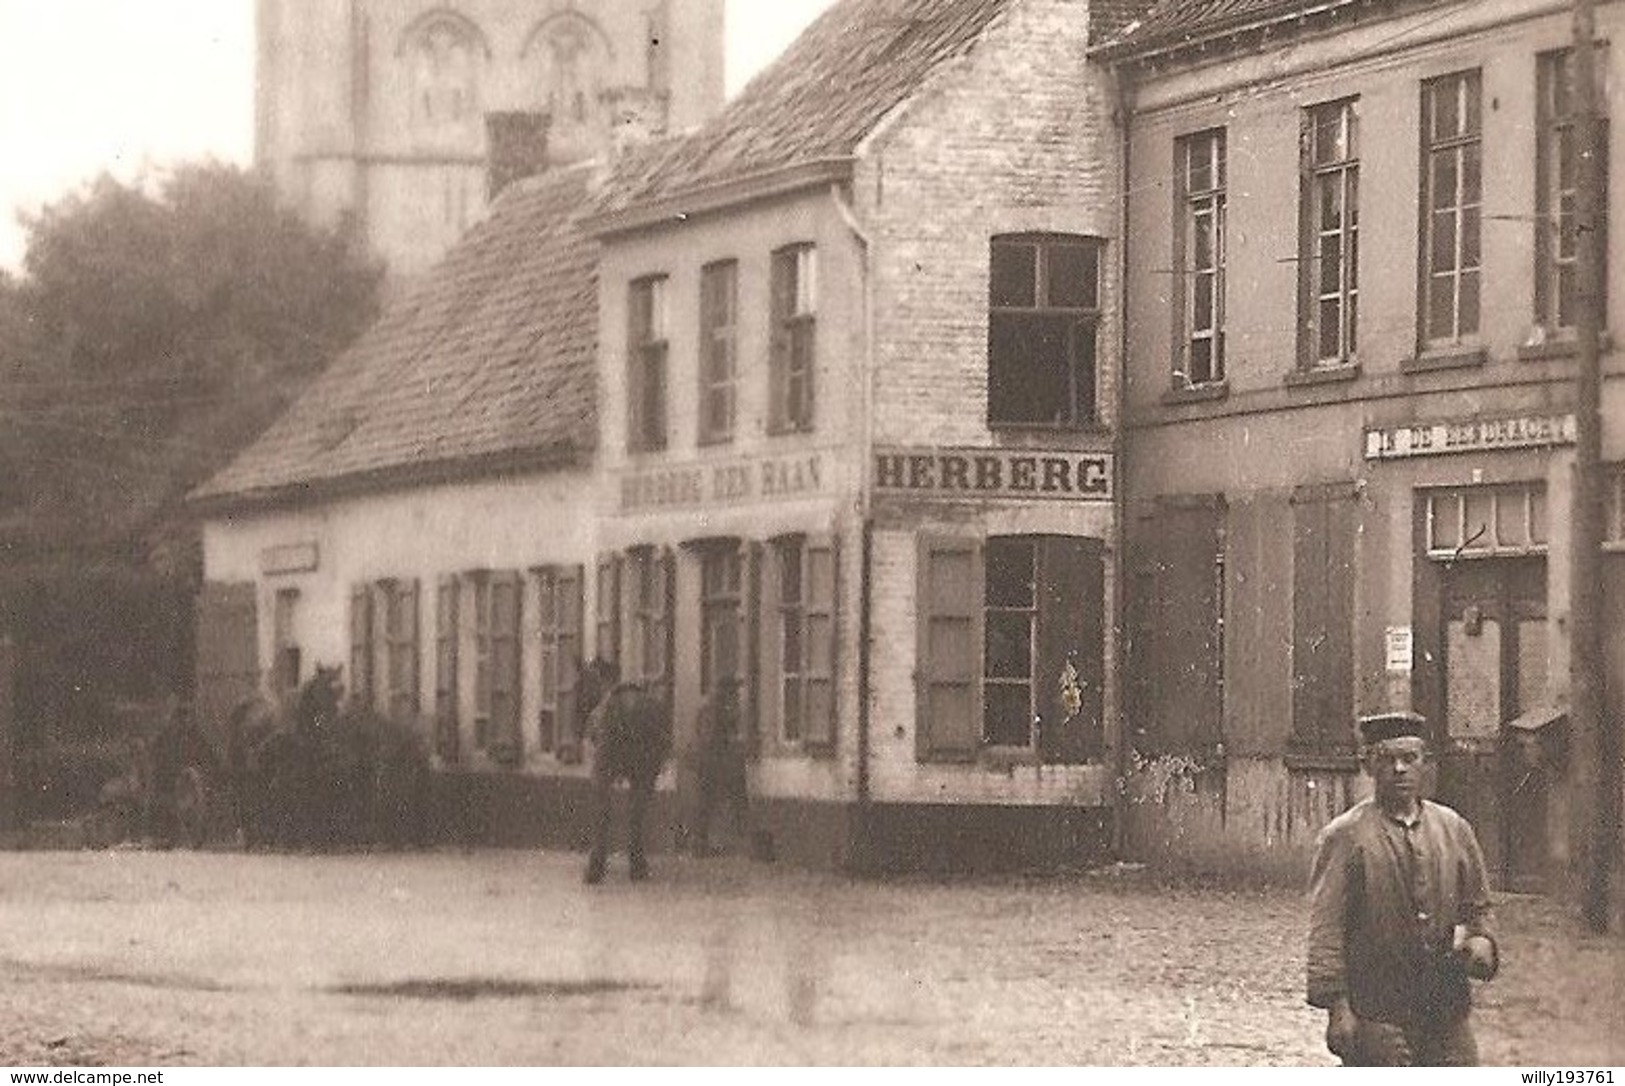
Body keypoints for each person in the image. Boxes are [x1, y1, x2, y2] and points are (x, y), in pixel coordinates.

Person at [1307, 711, 1500, 1066]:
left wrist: (1481, 940)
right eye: (1387, 759)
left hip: (1445, 1008)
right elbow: (1327, 928)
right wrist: (1337, 1007)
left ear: (1424, 763)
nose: (1399, 769)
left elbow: (1478, 907)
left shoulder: (1453, 829)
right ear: (1368, 766)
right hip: (1377, 1009)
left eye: (1409, 759)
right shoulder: (1345, 837)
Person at [692, 678, 751, 857]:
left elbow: (699, 733)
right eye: (734, 691)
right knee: (723, 802)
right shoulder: (724, 710)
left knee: (705, 804)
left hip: (704, 763)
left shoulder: (704, 708)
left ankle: (701, 844)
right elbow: (730, 736)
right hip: (719, 763)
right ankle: (717, 843)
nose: (736, 695)